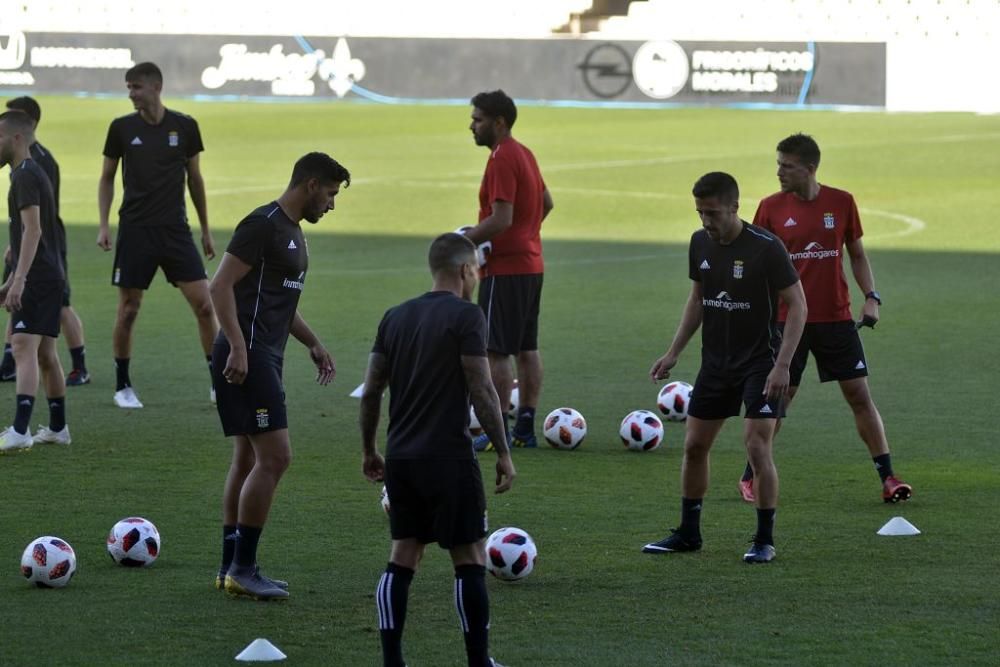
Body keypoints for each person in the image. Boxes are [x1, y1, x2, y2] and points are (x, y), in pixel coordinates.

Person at [360, 232, 516, 667]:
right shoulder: (467, 316)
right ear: (466, 270)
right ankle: (478, 661)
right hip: (449, 456)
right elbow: (482, 388)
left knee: (403, 556)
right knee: (469, 558)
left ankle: (393, 661)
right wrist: (503, 451)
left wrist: (370, 449)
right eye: (477, 270)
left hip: (403, 457)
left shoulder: (395, 317)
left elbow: (372, 391)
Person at [738, 132, 912, 505]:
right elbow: (757, 266)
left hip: (835, 319)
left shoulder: (842, 202)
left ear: (810, 167)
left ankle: (888, 477)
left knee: (859, 396)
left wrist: (871, 297)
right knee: (778, 401)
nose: (779, 172)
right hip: (787, 323)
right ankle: (750, 475)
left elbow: (858, 254)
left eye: (787, 165)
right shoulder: (770, 208)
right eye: (778, 164)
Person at [643, 172, 807, 564]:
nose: (705, 221)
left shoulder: (767, 249)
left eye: (713, 213)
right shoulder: (700, 242)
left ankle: (764, 539)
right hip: (716, 364)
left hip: (761, 363)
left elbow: (798, 305)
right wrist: (673, 353)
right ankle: (688, 533)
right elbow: (698, 299)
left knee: (756, 445)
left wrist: (783, 365)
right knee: (695, 445)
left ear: (735, 207)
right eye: (700, 212)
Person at [209, 152, 348, 600]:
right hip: (248, 357)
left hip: (262, 353)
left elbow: (280, 303)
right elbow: (220, 285)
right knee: (276, 458)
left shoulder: (293, 234)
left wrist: (312, 342)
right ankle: (244, 568)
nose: (330, 204)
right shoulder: (263, 225)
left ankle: (231, 566)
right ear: (310, 185)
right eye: (329, 194)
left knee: (248, 461)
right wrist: (236, 345)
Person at [97, 61, 218, 409]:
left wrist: (206, 230)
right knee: (130, 308)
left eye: (136, 87)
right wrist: (104, 224)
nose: (131, 93)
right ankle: (123, 387)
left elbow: (195, 179)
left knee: (205, 304)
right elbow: (106, 177)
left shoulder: (185, 126)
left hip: (176, 231)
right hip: (135, 230)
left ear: (156, 87)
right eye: (128, 88)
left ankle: (217, 383)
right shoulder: (121, 128)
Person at [464, 90, 553, 450]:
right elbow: (546, 203)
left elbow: (501, 218)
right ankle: (525, 427)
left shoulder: (501, 157)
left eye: (478, 119)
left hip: (505, 269)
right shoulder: (525, 153)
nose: (472, 125)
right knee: (526, 347)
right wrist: (528, 234)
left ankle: (496, 428)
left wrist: (464, 241)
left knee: (496, 351)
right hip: (532, 264)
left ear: (499, 122)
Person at [0, 96, 89, 386]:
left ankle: (80, 366)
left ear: (26, 125)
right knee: (17, 299)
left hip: (45, 245)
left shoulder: (38, 162)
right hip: (27, 243)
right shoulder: (24, 162)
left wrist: (24, 242)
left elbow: (39, 218)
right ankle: (9, 362)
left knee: (60, 305)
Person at [0, 110, 70, 451]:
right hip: (45, 274)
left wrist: (19, 281)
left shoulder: (25, 176)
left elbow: (34, 230)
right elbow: (29, 236)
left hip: (39, 277)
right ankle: (58, 428)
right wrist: (13, 276)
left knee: (22, 345)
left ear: (15, 139)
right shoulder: (28, 173)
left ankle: (20, 431)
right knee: (45, 353)